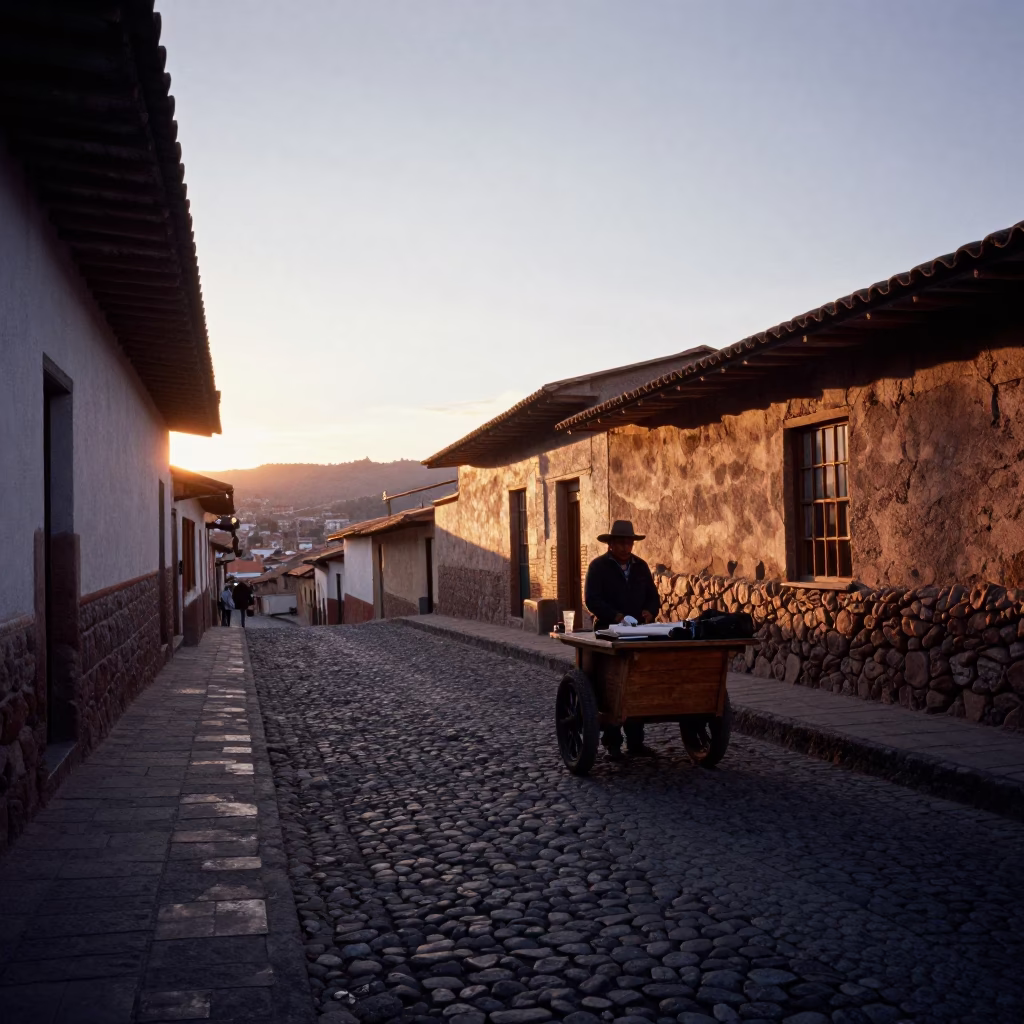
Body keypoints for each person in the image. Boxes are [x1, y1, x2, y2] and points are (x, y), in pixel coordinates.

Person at [584, 520, 660, 761]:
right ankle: (613, 742)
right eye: (622, 543)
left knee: (635, 684)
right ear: (611, 544)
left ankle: (636, 742)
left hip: (638, 632)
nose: (626, 547)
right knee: (611, 686)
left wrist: (650, 611)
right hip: (609, 632)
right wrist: (615, 615)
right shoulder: (598, 567)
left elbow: (653, 596)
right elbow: (592, 600)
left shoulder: (641, 567)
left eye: (629, 542)